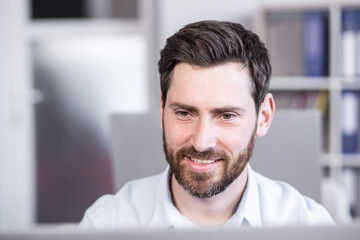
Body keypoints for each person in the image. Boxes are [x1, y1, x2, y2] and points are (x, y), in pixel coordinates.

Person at [79, 20, 334, 229]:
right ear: (161, 110)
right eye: (184, 113)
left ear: (264, 117)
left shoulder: (308, 226)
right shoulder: (107, 224)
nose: (201, 142)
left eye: (226, 116)